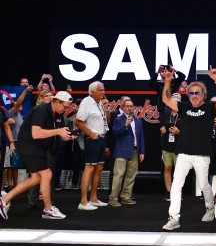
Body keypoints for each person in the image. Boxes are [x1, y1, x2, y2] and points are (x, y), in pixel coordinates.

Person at [161, 65, 216, 231]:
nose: (193, 96)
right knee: (177, 185)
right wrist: (168, 81)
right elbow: (165, 100)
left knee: (203, 184)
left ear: (203, 95)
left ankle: (209, 208)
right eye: (190, 93)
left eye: (196, 93)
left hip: (202, 154)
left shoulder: (209, 108)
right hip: (184, 152)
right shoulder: (183, 107)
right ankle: (174, 218)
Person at [0, 91, 76, 220]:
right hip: (29, 145)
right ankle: (47, 209)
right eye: (65, 106)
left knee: (36, 178)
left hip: (38, 147)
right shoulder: (40, 110)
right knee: (46, 174)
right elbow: (36, 133)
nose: (65, 109)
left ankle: (5, 199)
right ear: (57, 102)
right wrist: (58, 131)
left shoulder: (58, 115)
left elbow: (57, 133)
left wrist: (67, 136)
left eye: (68, 107)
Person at [75, 81, 110, 211]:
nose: (103, 92)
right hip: (92, 139)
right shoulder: (86, 102)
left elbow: (108, 120)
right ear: (92, 91)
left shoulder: (100, 103)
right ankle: (83, 202)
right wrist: (91, 134)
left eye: (104, 90)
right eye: (100, 90)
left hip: (101, 138)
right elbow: (78, 122)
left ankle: (94, 198)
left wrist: (106, 108)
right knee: (89, 168)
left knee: (99, 168)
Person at [108, 99, 145, 207]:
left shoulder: (138, 121)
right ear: (123, 108)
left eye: (131, 106)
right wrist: (125, 125)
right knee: (118, 175)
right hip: (121, 151)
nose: (129, 108)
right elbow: (115, 133)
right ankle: (113, 198)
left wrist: (142, 151)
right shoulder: (118, 120)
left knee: (131, 176)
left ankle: (125, 197)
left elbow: (141, 137)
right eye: (127, 106)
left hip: (134, 151)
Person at [27, 89, 55, 208]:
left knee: (49, 175)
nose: (50, 97)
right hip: (36, 147)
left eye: (51, 95)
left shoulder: (53, 112)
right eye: (47, 96)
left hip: (50, 147)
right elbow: (33, 132)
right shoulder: (37, 111)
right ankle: (32, 201)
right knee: (36, 175)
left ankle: (48, 203)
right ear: (41, 98)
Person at [7, 84, 34, 192]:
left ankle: (18, 185)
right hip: (15, 141)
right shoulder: (13, 113)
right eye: (17, 105)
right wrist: (26, 91)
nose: (20, 106)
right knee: (13, 165)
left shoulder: (21, 116)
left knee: (19, 164)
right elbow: (18, 103)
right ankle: (13, 185)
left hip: (22, 142)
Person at [159, 93, 182, 202]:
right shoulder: (165, 113)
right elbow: (161, 127)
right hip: (166, 145)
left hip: (179, 147)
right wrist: (162, 130)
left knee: (179, 171)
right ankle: (169, 192)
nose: (175, 103)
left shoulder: (183, 114)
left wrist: (179, 132)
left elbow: (190, 131)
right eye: (173, 101)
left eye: (177, 101)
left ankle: (177, 193)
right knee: (167, 168)